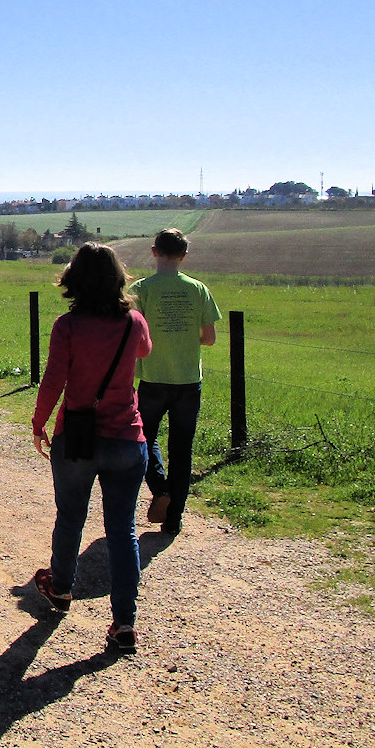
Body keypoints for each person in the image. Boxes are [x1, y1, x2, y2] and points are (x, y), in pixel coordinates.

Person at [31, 243, 153, 653]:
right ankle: (124, 623)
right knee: (123, 532)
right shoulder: (134, 322)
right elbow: (144, 352)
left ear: (74, 280)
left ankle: (62, 588)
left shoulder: (67, 326)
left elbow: (53, 381)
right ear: (118, 277)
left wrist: (39, 422)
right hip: (125, 438)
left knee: (71, 518)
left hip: (78, 436)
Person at [131, 228, 221, 535]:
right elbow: (209, 339)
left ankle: (160, 489)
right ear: (184, 256)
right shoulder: (198, 289)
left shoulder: (140, 290)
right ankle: (174, 518)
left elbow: (132, 338)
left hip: (153, 380)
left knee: (142, 439)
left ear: (154, 252)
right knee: (182, 449)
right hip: (187, 381)